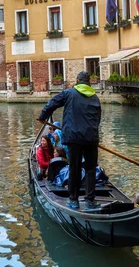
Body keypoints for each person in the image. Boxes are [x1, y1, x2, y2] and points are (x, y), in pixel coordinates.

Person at [38, 71, 102, 210]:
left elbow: (52, 103)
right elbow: (98, 119)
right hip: (91, 138)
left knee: (75, 168)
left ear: (77, 80)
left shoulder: (68, 93)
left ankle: (73, 200)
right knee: (91, 169)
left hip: (73, 138)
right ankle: (90, 201)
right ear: (88, 82)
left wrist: (43, 116)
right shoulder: (95, 97)